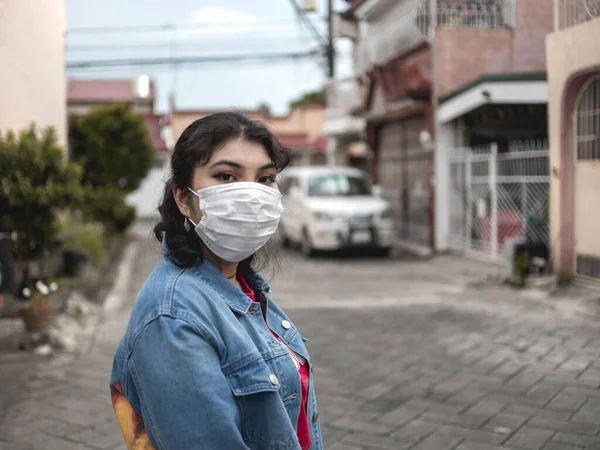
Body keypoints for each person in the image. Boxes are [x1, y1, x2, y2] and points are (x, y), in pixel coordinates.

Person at [110, 112, 322, 450]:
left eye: (265, 178)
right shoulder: (174, 317)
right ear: (184, 198)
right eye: (226, 176)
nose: (251, 195)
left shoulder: (242, 287)